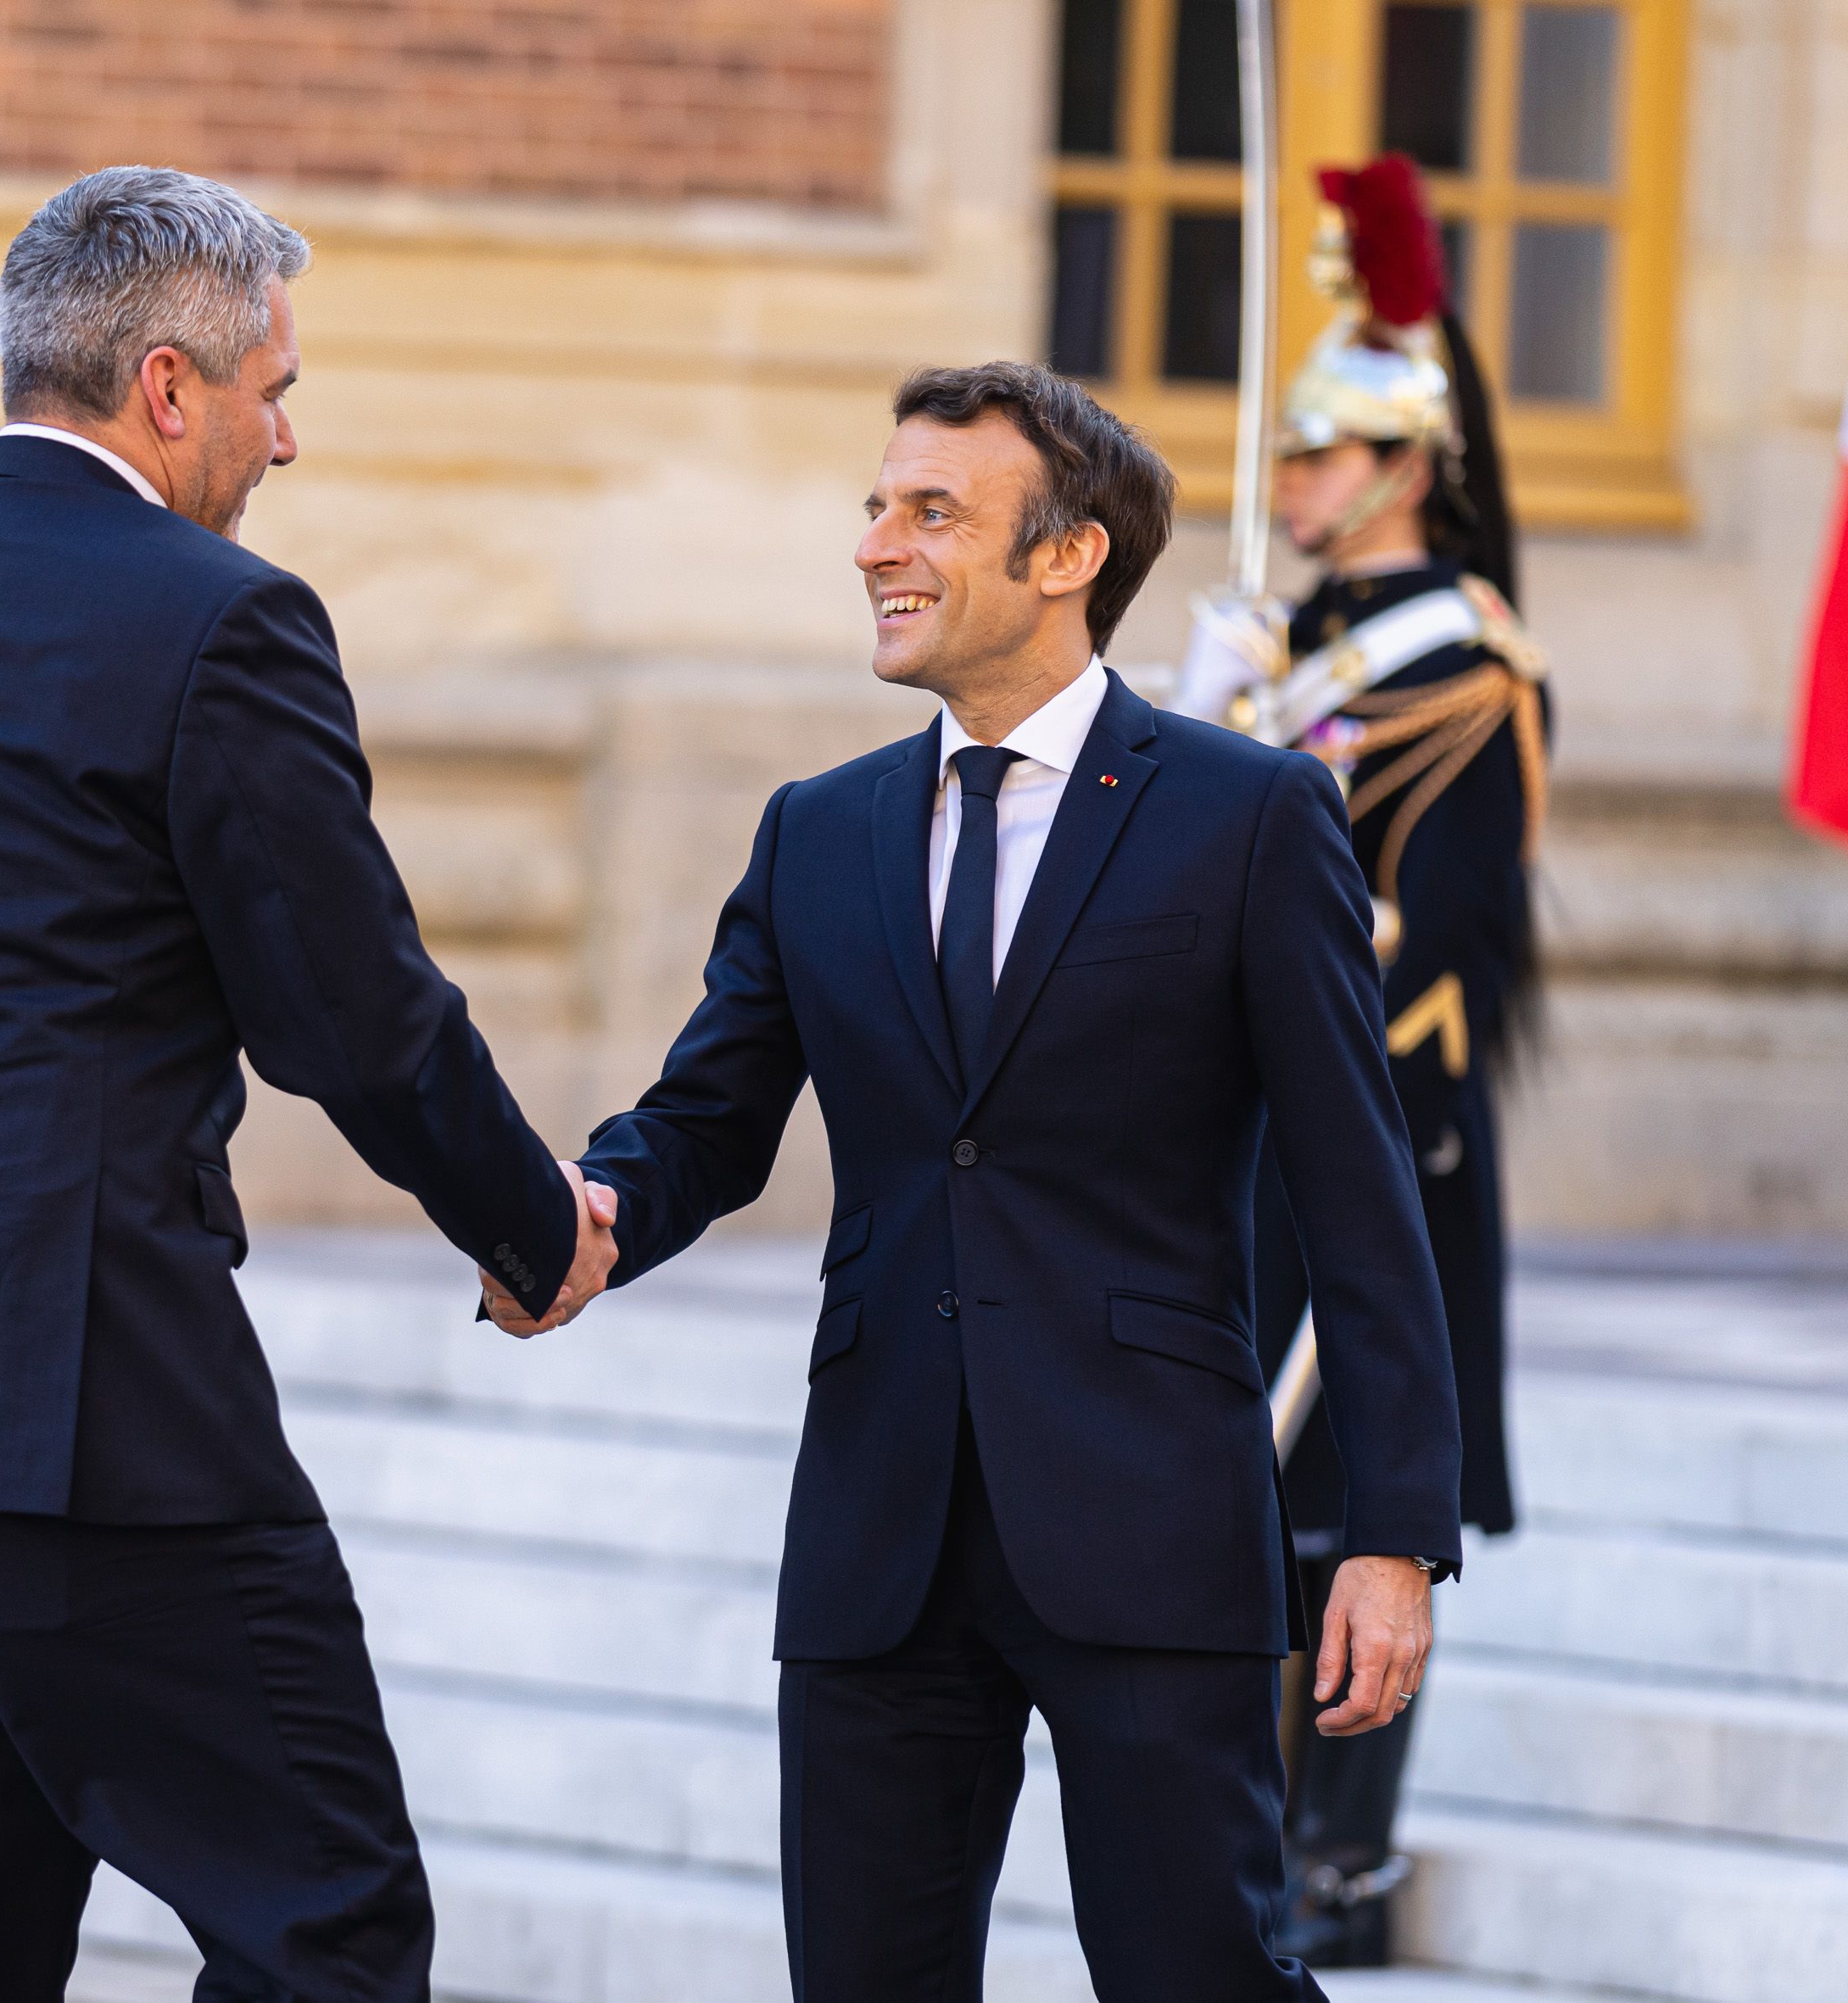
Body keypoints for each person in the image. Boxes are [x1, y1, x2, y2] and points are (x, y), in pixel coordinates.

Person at [0, 166, 615, 2003]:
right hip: (78, 1398)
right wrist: (532, 1220)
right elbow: (354, 1015)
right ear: (169, 386)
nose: (287, 437)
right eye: (274, 389)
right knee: (325, 1918)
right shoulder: (219, 617)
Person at [484, 361, 1463, 2000]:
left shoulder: (1250, 815)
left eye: (931, 511)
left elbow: (1360, 1196)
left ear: (1068, 555)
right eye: (878, 506)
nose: (878, 544)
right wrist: (564, 1224)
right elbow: (703, 1123)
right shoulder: (818, 831)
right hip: (880, 1530)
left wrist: (1395, 1532)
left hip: (1149, 1516)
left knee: (1198, 1979)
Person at [1214, 157, 1548, 1969]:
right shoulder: (1283, 646)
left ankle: (1337, 1844)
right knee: (1243, 1493)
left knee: (1363, 1491)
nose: (1288, 486)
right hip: (1245, 1130)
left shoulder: (1468, 668)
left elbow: (1438, 947)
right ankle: (1244, 1829)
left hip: (1376, 1128)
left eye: (1320, 456)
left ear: (1405, 463)